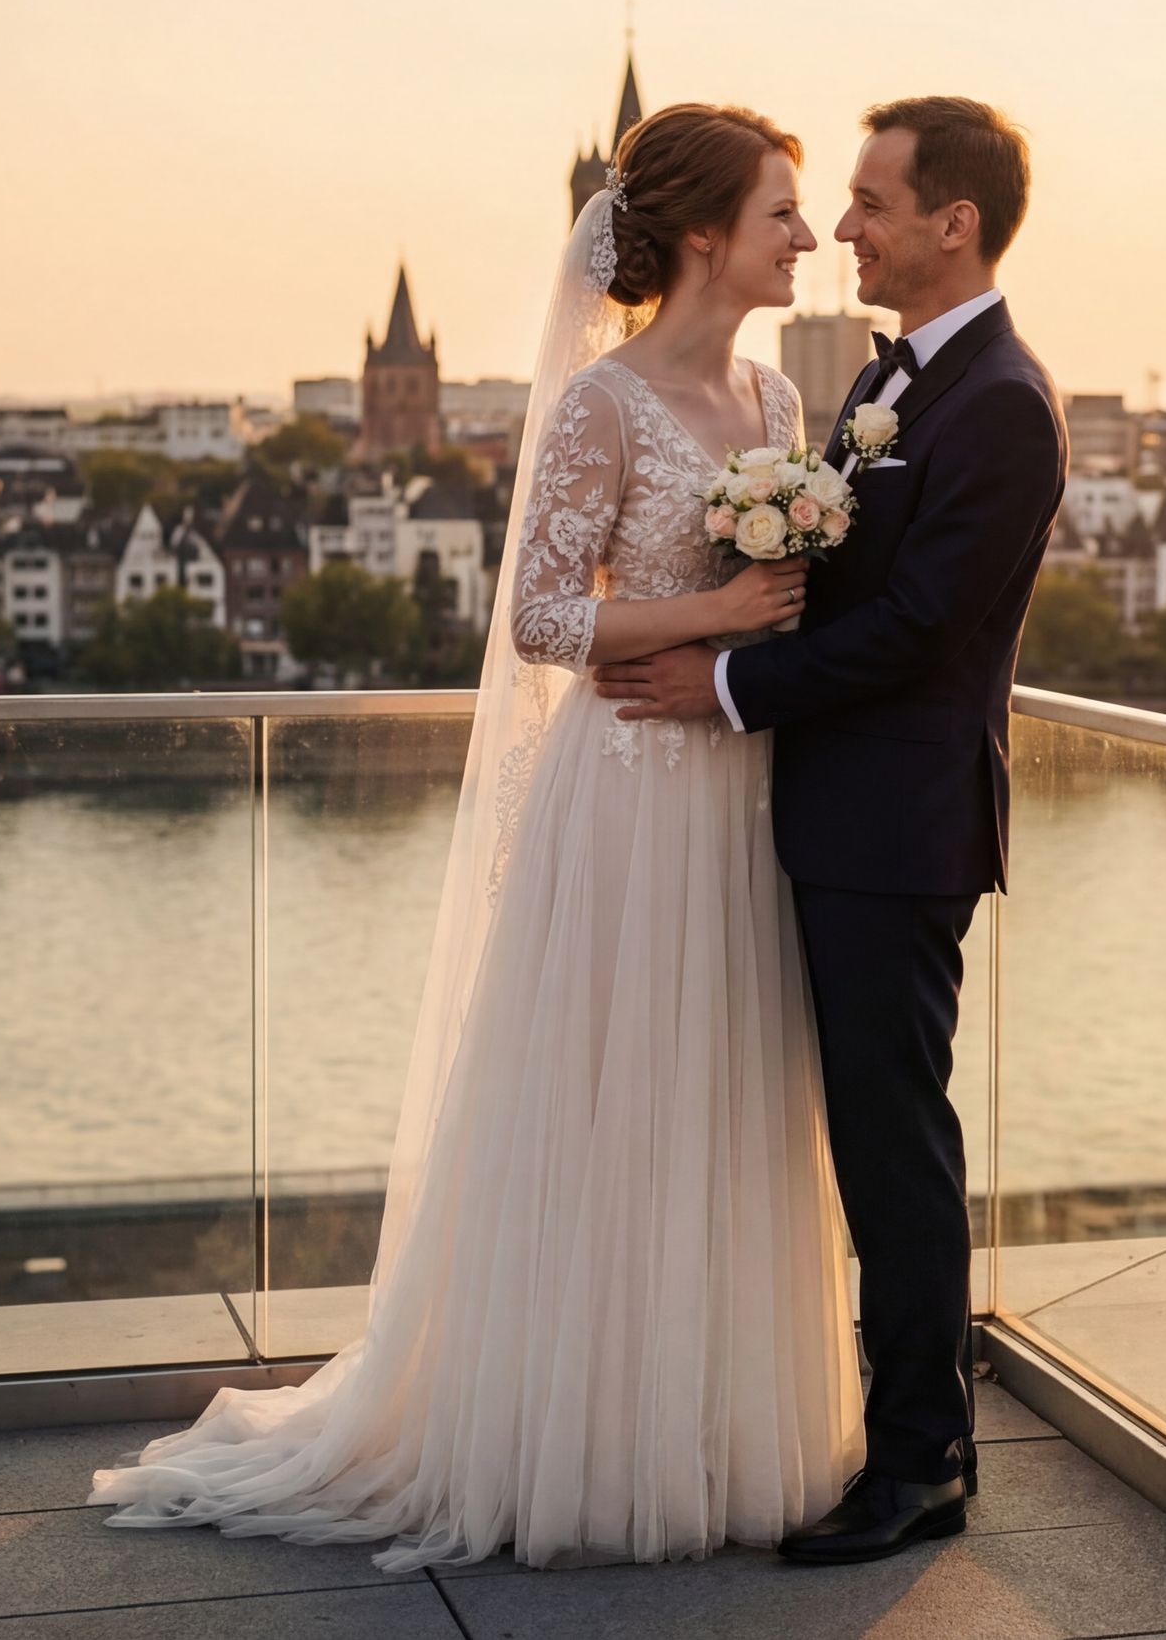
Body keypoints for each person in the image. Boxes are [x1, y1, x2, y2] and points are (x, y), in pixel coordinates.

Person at [92, 104, 863, 1571]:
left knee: (723, 1096)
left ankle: (699, 1425)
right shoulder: (602, 403)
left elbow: (786, 608)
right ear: (709, 235)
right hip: (629, 790)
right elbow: (542, 618)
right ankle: (585, 1437)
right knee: (611, 1095)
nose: (807, 237)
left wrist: (757, 636)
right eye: (783, 212)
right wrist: (713, 609)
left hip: (738, 789)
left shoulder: (776, 402)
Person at [592, 94, 1065, 1564]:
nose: (843, 227)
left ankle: (922, 1460)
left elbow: (922, 630)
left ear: (953, 224)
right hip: (828, 818)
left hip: (897, 831)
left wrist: (727, 682)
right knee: (855, 1137)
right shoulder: (889, 384)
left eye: (869, 202)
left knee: (891, 1146)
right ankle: (878, 1431)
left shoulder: (1001, 401)